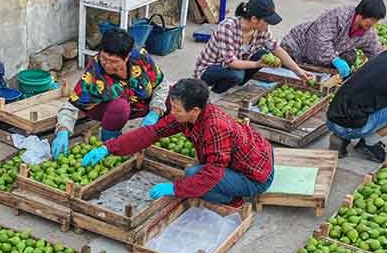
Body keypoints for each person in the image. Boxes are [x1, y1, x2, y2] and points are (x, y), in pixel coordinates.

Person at [81, 78, 274, 208]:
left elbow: (213, 173)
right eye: (172, 107)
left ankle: (233, 200)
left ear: (195, 110)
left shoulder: (215, 127)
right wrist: (109, 147)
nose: (172, 113)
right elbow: (151, 133)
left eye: (177, 109)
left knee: (194, 175)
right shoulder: (183, 116)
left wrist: (177, 188)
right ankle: (229, 187)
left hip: (255, 175)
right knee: (195, 173)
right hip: (251, 157)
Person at [52, 28, 169, 159]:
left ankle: (159, 135)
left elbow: (161, 84)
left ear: (127, 57)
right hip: (108, 109)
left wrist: (155, 111)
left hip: (138, 103)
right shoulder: (95, 72)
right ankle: (110, 142)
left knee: (175, 96)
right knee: (120, 107)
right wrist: (63, 131)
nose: (107, 65)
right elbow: (73, 105)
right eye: (104, 58)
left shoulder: (140, 58)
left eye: (114, 62)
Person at [194, 0, 311, 93]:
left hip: (235, 66)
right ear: (254, 19)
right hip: (210, 70)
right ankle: (215, 92)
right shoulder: (228, 28)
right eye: (266, 22)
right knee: (237, 74)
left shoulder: (261, 30)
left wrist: (298, 71)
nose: (268, 26)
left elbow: (277, 49)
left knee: (264, 54)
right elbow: (231, 62)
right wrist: (257, 64)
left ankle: (234, 86)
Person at [281, 0, 387, 78]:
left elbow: (375, 52)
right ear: (361, 14)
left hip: (322, 56)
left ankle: (329, 75)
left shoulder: (368, 32)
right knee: (285, 68)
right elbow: (320, 41)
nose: (372, 25)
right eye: (371, 21)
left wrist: (386, 67)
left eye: (375, 22)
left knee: (350, 56)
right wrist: (335, 59)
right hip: (301, 45)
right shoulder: (339, 16)